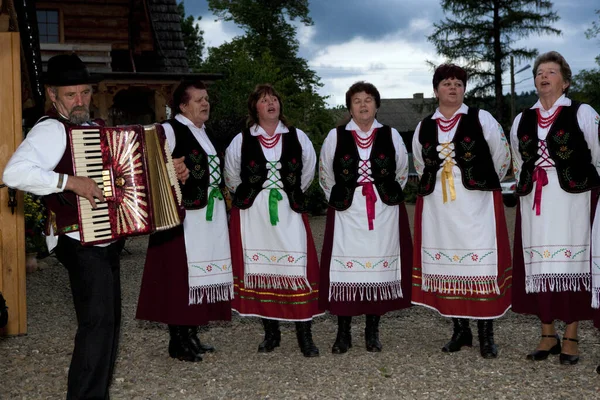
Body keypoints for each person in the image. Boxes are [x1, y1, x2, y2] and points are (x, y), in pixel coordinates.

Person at [2, 53, 120, 399]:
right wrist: (70, 182)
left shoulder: (94, 128)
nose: (81, 101)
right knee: (95, 326)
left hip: (104, 237)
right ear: (53, 95)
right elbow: (13, 173)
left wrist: (168, 171)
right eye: (71, 95)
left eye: (85, 92)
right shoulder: (51, 129)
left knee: (107, 326)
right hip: (78, 238)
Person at [411, 64, 512, 359]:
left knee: (480, 267)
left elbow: (501, 156)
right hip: (439, 209)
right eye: (446, 83)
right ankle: (461, 330)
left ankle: (485, 334)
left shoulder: (482, 118)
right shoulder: (424, 125)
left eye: (457, 83)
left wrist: (481, 181)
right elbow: (420, 163)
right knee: (449, 267)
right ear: (436, 90)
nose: (452, 87)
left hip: (475, 204)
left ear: (464, 89)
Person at [510, 51, 600, 366]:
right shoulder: (522, 118)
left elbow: (597, 154)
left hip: (573, 198)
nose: (544, 76)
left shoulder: (583, 112)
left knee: (573, 267)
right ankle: (547, 333)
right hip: (536, 199)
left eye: (551, 71)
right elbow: (520, 161)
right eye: (539, 72)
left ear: (565, 80)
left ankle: (572, 335)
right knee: (539, 267)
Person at [136, 80, 233, 362]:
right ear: (182, 105)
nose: (205, 104)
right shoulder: (169, 129)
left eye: (207, 99)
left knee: (199, 277)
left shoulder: (204, 132)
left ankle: (190, 334)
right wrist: (171, 170)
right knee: (180, 278)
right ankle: (177, 340)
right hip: (183, 218)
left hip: (208, 214)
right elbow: (146, 156)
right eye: (199, 100)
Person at [224, 84, 322, 357]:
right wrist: (255, 195)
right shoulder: (241, 140)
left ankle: (305, 334)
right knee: (264, 271)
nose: (271, 103)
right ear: (254, 108)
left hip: (289, 211)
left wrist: (289, 193)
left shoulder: (297, 136)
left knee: (295, 270)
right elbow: (232, 176)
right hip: (255, 215)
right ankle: (272, 333)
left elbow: (308, 171)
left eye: (274, 99)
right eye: (264, 100)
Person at [319, 81, 413, 354]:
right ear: (349, 107)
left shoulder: (391, 134)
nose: (363, 105)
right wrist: (342, 199)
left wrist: (383, 195)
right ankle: (343, 332)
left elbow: (402, 172)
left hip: (382, 212)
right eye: (357, 100)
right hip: (348, 213)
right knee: (345, 271)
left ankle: (372, 331)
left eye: (368, 99)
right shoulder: (335, 136)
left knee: (378, 270)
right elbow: (326, 174)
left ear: (377, 105)